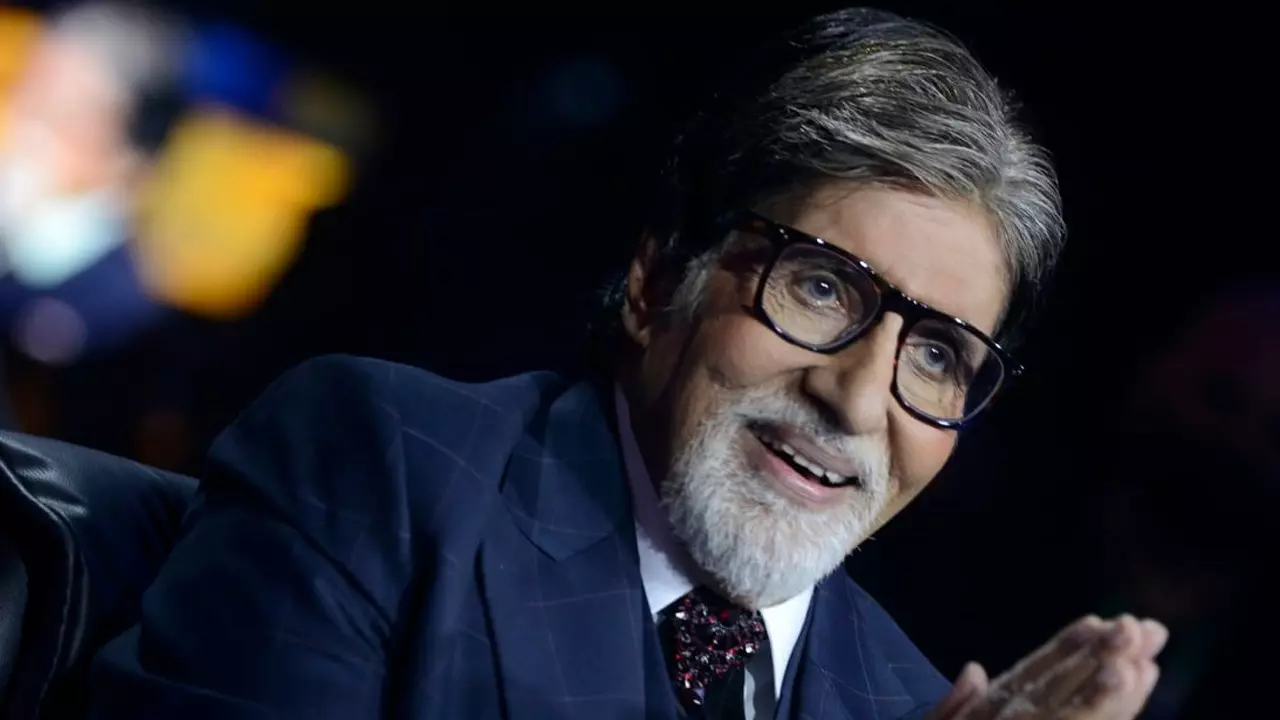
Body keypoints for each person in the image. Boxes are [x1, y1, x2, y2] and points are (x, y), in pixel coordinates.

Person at [88, 8, 1167, 719]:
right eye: (821, 289)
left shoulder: (910, 703)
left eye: (935, 354)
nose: (854, 398)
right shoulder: (380, 471)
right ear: (657, 283)